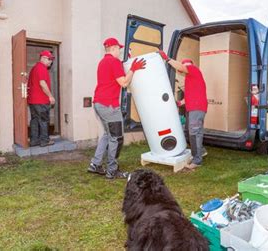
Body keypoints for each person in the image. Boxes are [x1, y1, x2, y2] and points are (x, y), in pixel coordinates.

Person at [88, 37, 146, 179]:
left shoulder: (103, 62)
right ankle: (112, 170)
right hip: (109, 106)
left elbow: (114, 75)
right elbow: (124, 82)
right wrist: (133, 69)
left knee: (108, 135)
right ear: (113, 48)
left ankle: (95, 164)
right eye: (118, 49)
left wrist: (127, 62)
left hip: (98, 104)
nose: (119, 52)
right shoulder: (113, 62)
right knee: (116, 138)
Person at [158, 51, 207, 170]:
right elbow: (190, 95)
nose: (181, 72)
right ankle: (201, 152)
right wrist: (179, 103)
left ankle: (197, 160)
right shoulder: (191, 78)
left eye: (183, 69)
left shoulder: (193, 69)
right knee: (194, 131)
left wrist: (168, 59)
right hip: (194, 108)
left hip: (196, 108)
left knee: (194, 133)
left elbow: (181, 67)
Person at [27, 50, 55, 147]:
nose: (50, 61)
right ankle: (44, 141)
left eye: (51, 59)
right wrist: (50, 96)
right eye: (49, 59)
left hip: (32, 101)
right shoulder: (42, 68)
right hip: (41, 100)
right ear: (42, 58)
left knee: (34, 120)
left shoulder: (35, 68)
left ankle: (34, 141)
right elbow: (42, 83)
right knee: (44, 120)